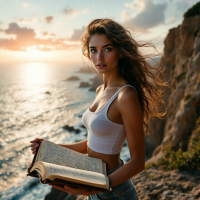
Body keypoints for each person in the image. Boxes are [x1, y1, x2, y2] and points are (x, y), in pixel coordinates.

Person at [30, 18, 170, 199]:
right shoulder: (100, 90)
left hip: (114, 191)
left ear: (120, 52)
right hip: (95, 183)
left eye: (107, 49)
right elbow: (94, 143)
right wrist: (51, 147)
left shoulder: (125, 96)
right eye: (94, 50)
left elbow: (137, 162)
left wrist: (97, 187)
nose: (99, 57)